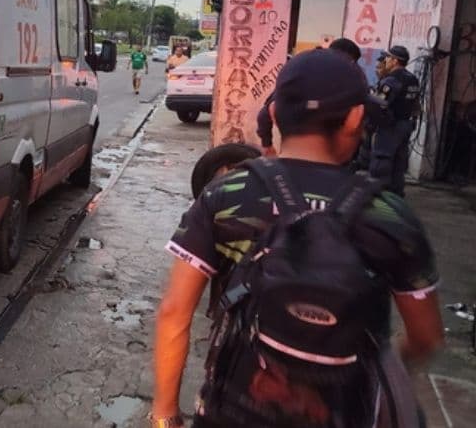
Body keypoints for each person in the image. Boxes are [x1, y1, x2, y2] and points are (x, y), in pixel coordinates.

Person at [152, 49, 443, 428]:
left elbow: (174, 314)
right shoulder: (390, 214)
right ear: (356, 118)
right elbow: (426, 337)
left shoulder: (227, 194)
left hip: (234, 410)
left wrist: (164, 416)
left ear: (274, 115)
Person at [256, 38, 362, 157]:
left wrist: (267, 145)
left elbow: (265, 114)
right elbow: (266, 113)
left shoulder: (301, 73)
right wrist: (267, 145)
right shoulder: (346, 84)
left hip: (292, 159)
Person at [368, 46, 420, 196]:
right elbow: (416, 105)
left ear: (395, 61)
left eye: (388, 58)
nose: (385, 60)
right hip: (405, 124)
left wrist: (377, 122)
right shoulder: (413, 79)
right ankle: (396, 194)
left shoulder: (392, 80)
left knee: (381, 160)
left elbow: (379, 104)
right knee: (398, 163)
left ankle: (377, 193)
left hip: (391, 126)